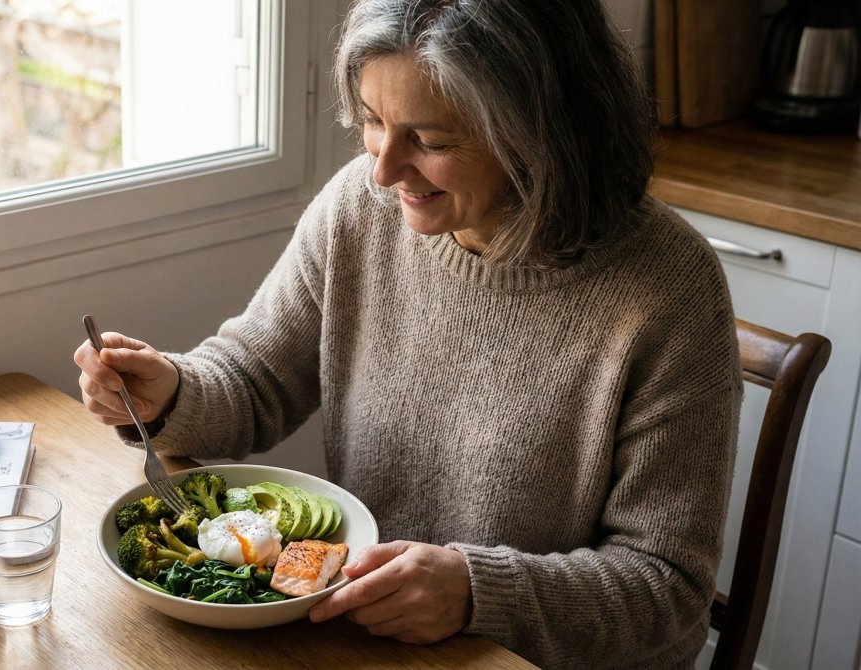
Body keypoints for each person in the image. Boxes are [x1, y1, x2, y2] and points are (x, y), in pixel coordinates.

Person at [73, 1, 742, 667]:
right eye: (371, 121)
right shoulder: (360, 211)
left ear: (542, 133)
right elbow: (256, 376)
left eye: (431, 141)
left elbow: (667, 588)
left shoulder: (670, 291)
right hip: (367, 636)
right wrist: (172, 394)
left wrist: (477, 592)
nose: (383, 170)